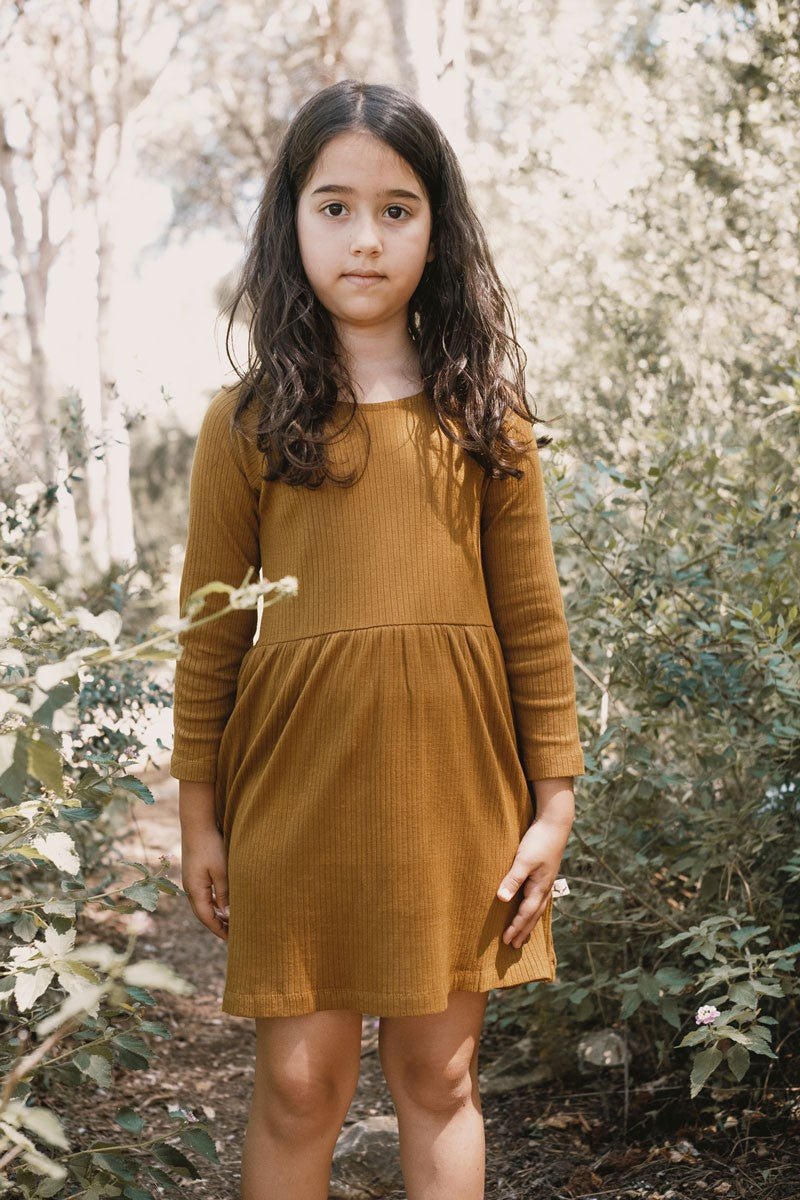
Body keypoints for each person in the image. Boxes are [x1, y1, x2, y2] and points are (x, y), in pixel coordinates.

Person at [170, 78, 585, 1200]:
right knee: (299, 1085)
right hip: (296, 790)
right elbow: (209, 633)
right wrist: (199, 815)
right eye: (336, 207)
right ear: (290, 224)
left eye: (397, 210)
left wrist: (552, 804)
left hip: (452, 791)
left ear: (436, 232)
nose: (366, 238)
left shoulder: (485, 416)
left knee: (438, 1074)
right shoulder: (244, 424)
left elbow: (533, 622)